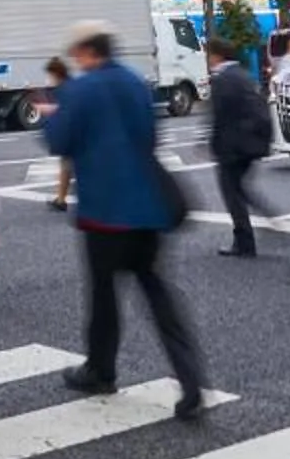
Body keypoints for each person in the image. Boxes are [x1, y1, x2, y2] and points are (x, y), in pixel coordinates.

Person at [40, 21, 207, 418]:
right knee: (157, 293)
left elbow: (58, 142)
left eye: (76, 52)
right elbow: (151, 136)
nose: (75, 60)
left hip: (105, 212)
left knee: (103, 297)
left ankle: (101, 369)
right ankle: (191, 381)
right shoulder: (135, 83)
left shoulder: (81, 89)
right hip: (148, 208)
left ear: (86, 50)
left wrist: (51, 113)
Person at [205, 36, 272, 258]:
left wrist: (213, 144)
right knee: (238, 189)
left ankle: (244, 241)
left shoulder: (222, 80)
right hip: (249, 143)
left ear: (216, 55)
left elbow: (220, 117)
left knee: (232, 192)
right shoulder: (243, 75)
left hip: (232, 146)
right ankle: (267, 217)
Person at [43, 56, 75, 213]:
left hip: (74, 137)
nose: (49, 79)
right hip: (73, 136)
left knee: (69, 166)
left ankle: (62, 200)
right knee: (66, 167)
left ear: (56, 73)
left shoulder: (65, 88)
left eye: (50, 75)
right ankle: (61, 199)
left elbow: (64, 113)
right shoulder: (70, 85)